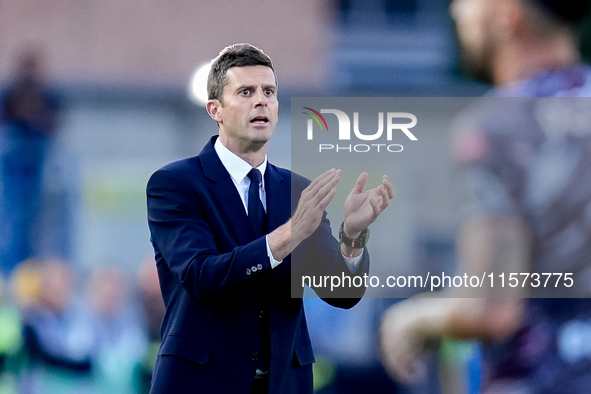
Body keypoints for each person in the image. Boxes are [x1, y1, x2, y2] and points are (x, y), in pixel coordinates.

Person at [146, 43, 394, 394]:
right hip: (201, 383)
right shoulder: (175, 184)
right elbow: (202, 275)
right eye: (246, 92)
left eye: (269, 92)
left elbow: (340, 293)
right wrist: (290, 234)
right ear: (215, 109)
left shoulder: (298, 192)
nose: (261, 101)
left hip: (284, 384)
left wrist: (352, 236)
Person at [379, 0, 591, 393]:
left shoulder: (497, 130)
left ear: (507, 16)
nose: (457, 12)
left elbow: (491, 309)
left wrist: (409, 319)